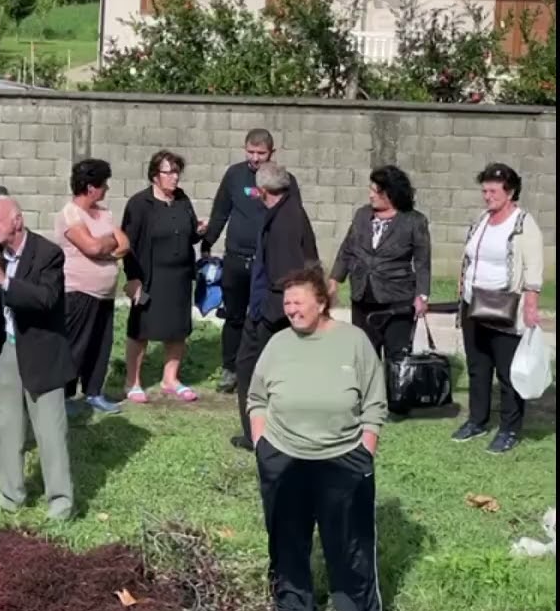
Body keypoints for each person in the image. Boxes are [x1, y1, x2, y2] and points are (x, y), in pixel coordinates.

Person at [248, 267, 387, 611]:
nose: (291, 310)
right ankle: (293, 608)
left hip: (343, 457)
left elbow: (375, 402)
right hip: (283, 455)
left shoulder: (354, 341)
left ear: (322, 303)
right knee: (287, 538)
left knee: (349, 543)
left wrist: (365, 448)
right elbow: (257, 397)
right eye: (287, 303)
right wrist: (262, 445)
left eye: (298, 302)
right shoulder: (278, 344)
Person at [0, 195, 77, 521]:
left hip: (42, 351)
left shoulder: (48, 254)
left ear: (17, 220)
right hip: (7, 351)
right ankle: (10, 497)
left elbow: (46, 299)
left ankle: (61, 504)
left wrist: (5, 280)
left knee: (50, 432)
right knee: (7, 428)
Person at [452, 163, 545, 454]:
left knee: (507, 372)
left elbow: (533, 267)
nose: (487, 196)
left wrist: (531, 304)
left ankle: (509, 429)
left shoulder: (523, 223)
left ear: (510, 192)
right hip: (474, 304)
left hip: (505, 306)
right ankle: (477, 421)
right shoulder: (482, 219)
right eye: (484, 191)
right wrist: (462, 285)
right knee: (478, 367)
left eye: (493, 191)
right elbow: (470, 256)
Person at [202, 129, 301, 393]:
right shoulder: (234, 175)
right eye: (251, 152)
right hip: (236, 260)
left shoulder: (284, 181)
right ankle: (230, 369)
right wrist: (207, 243)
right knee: (234, 317)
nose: (255, 158)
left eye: (261, 153)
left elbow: (295, 218)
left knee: (267, 318)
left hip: (267, 264)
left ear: (272, 153)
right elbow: (220, 211)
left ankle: (266, 371)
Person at [232, 162, 318, 451]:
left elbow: (286, 274)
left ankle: (257, 435)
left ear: (263, 191)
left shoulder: (284, 223)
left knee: (251, 369)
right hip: (275, 307)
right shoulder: (291, 211)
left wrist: (270, 313)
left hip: (272, 311)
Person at [121, 150, 208, 404]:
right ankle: (132, 382)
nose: (175, 177)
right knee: (141, 329)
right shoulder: (139, 204)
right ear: (154, 176)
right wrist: (133, 278)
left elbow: (189, 234)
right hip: (149, 276)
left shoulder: (182, 200)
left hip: (179, 277)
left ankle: (170, 379)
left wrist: (199, 231)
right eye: (169, 172)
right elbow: (127, 244)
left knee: (178, 328)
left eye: (177, 172)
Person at [329, 165, 432, 360]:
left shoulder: (414, 221)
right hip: (363, 297)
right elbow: (348, 248)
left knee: (396, 356)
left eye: (376, 191)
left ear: (391, 193)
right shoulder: (362, 215)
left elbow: (422, 261)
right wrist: (335, 279)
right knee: (365, 355)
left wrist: (422, 295)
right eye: (371, 190)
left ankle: (393, 381)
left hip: (396, 300)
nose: (371, 195)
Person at [55, 158, 127, 415]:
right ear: (90, 187)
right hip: (78, 293)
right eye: (103, 184)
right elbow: (92, 247)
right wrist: (106, 245)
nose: (106, 188)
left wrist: (104, 246)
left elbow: (124, 244)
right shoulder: (70, 214)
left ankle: (94, 392)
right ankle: (63, 396)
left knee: (100, 346)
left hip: (105, 294)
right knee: (76, 345)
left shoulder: (105, 213)